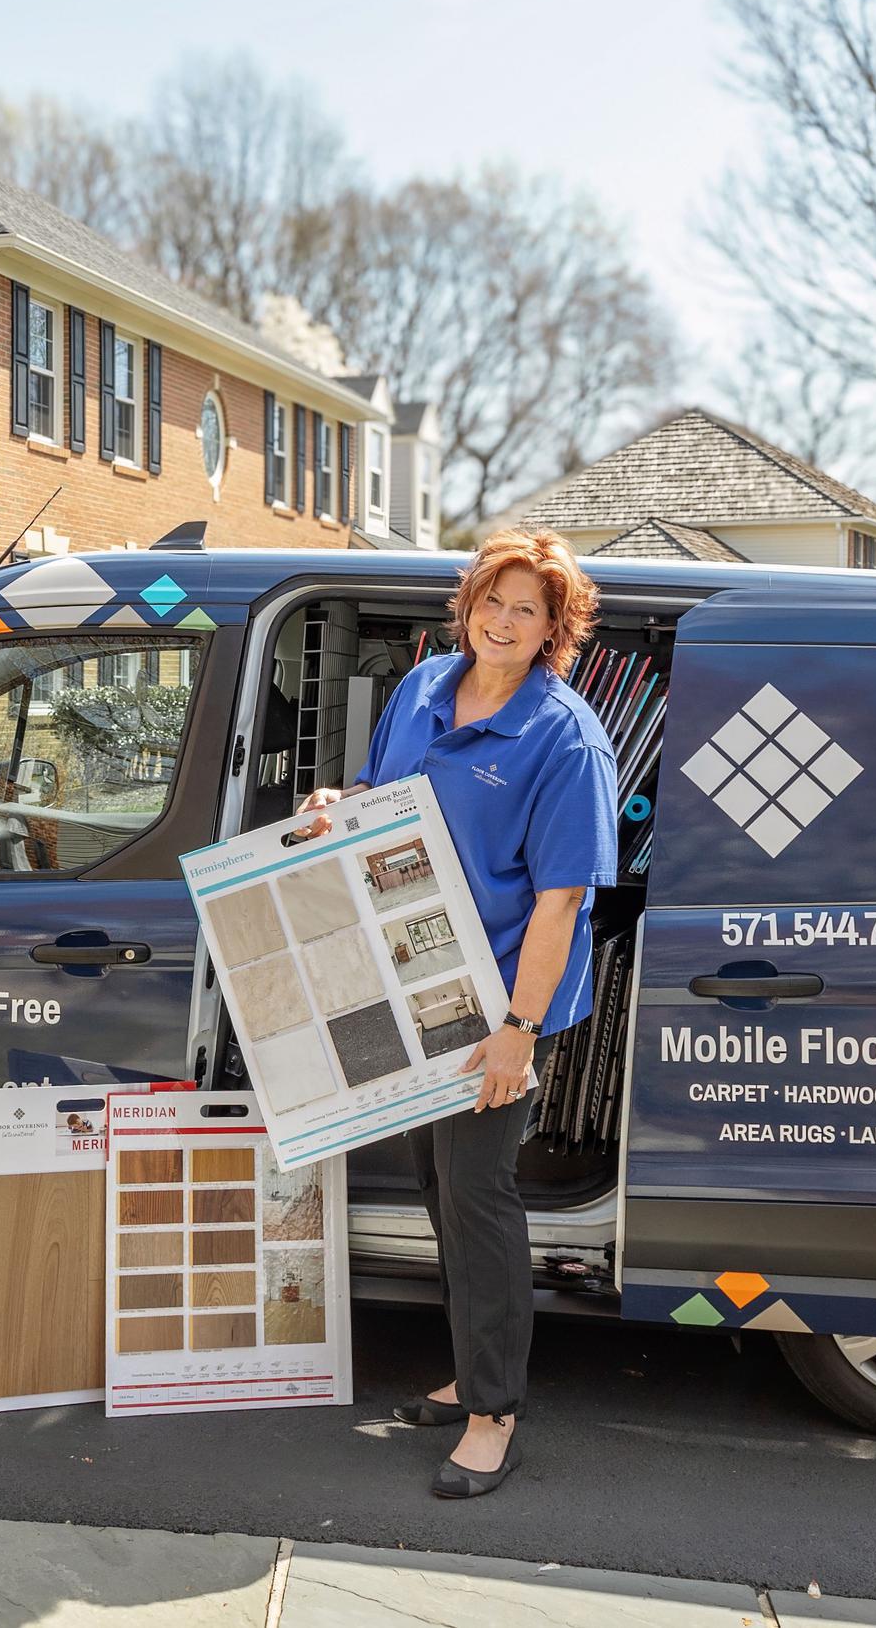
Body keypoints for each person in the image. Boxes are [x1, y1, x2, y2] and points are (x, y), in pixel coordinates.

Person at [297, 527, 619, 1499]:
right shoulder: (423, 689)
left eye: (529, 608)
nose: (505, 620)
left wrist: (514, 1036)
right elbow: (380, 800)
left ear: (555, 627)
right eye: (493, 599)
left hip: (502, 1001)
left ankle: (493, 1415)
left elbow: (562, 902)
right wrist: (332, 806)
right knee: (438, 1188)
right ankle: (468, 1376)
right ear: (468, 603)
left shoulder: (565, 737)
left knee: (477, 1198)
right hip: (414, 978)